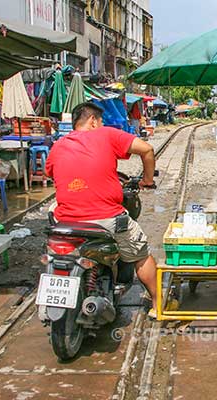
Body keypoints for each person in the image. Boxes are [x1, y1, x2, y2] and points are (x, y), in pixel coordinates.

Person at [45, 102, 159, 317]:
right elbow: (147, 149)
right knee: (140, 253)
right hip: (105, 218)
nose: (102, 123)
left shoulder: (58, 145)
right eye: (102, 120)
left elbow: (51, 174)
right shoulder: (106, 134)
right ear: (93, 121)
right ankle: (157, 304)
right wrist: (147, 180)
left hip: (65, 223)